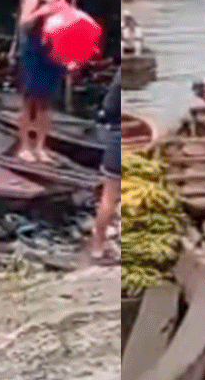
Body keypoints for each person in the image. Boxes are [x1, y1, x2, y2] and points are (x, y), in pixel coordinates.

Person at [17, 0, 68, 164]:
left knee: (46, 103)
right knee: (30, 101)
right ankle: (23, 146)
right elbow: (23, 23)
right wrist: (42, 12)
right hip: (34, 50)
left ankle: (40, 147)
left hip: (53, 51)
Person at [89, 67, 121, 264]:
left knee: (108, 199)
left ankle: (97, 247)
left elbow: (108, 109)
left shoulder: (118, 81)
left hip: (117, 140)